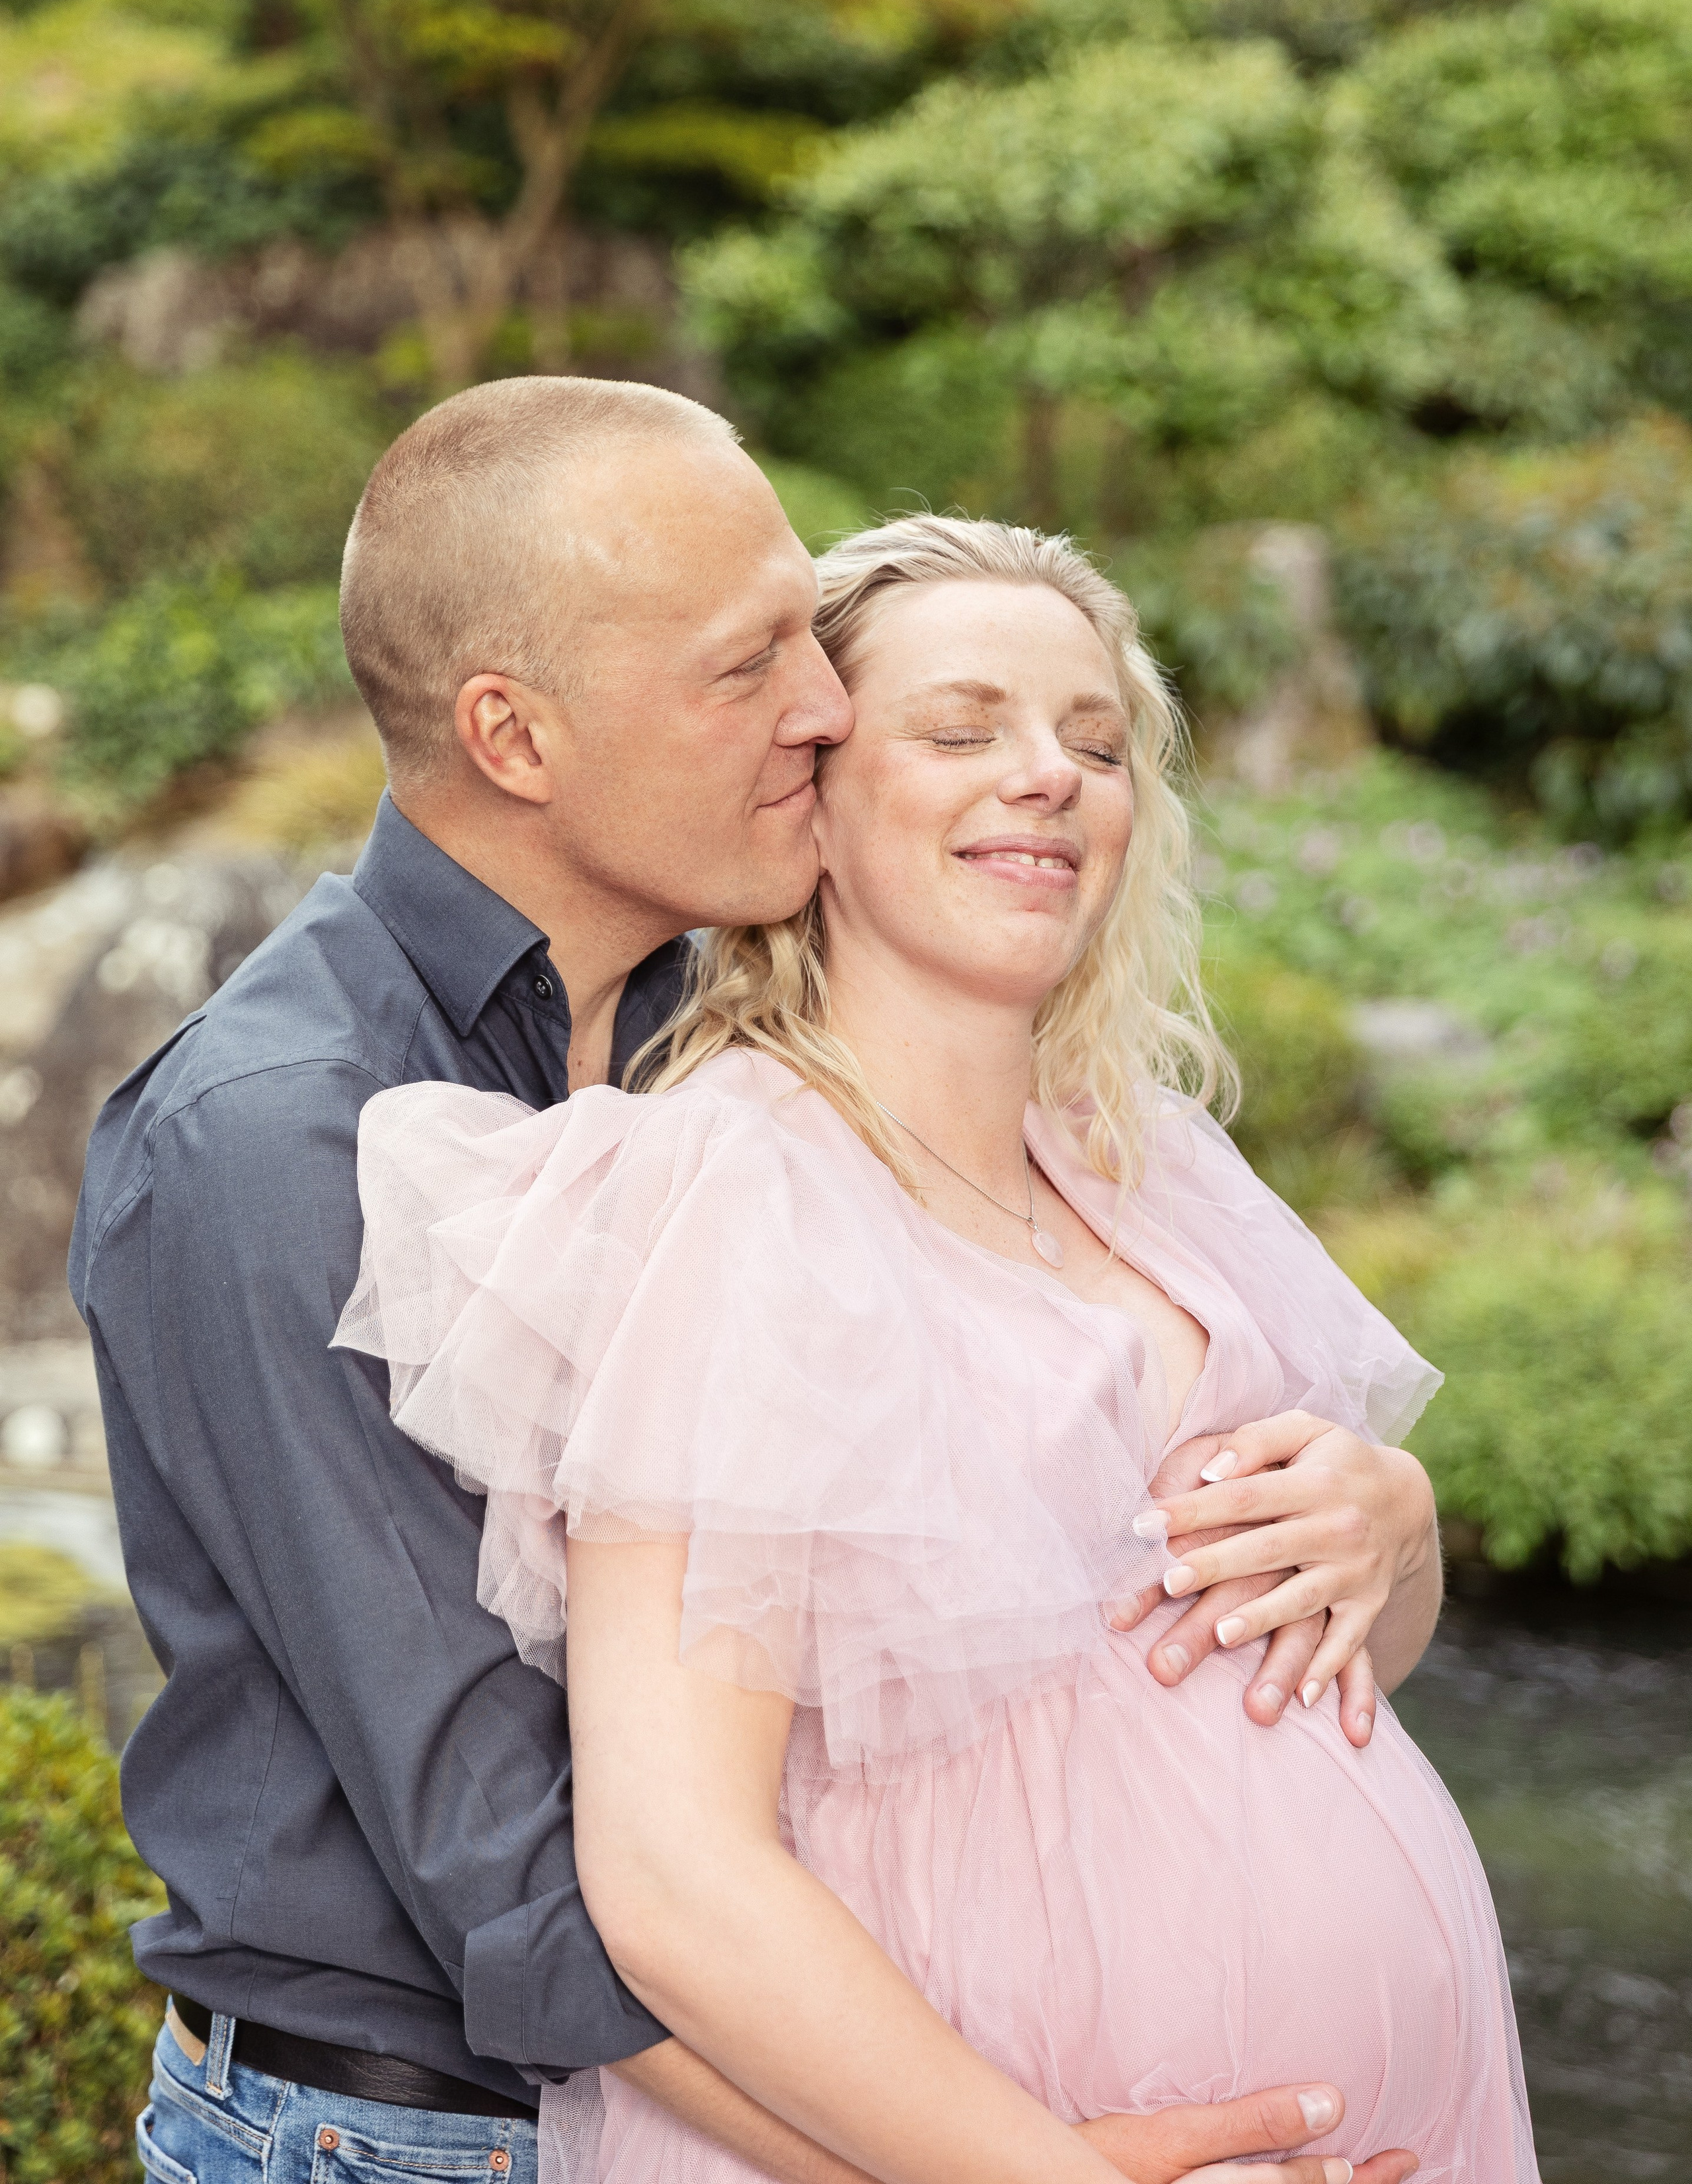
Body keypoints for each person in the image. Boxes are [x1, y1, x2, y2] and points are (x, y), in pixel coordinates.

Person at [74, 378, 1423, 2184]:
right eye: (747, 666)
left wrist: (1377, 1521)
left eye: (811, 626)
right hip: (406, 2137)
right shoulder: (278, 1141)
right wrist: (1017, 2168)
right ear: (515, 735)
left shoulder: (763, 1022)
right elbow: (515, 1864)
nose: (824, 703)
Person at [336, 511, 1539, 2184]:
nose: (1044, 773)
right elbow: (675, 1872)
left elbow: (1279, 1671)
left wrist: (1389, 1527)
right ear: (808, 789)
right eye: (961, 728)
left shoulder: (1149, 1160)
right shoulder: (734, 1193)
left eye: (1094, 738)